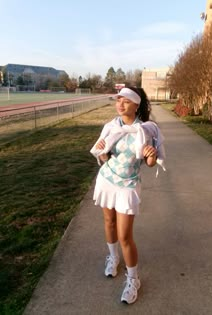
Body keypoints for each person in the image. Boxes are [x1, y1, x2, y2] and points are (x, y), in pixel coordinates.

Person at [90, 87, 165, 304]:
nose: (120, 104)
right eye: (118, 100)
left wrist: (151, 155)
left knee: (125, 235)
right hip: (107, 180)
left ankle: (133, 279)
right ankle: (113, 258)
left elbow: (150, 163)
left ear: (136, 104)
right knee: (108, 221)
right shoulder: (111, 126)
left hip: (128, 185)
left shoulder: (145, 130)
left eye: (126, 101)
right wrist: (102, 152)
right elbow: (103, 156)